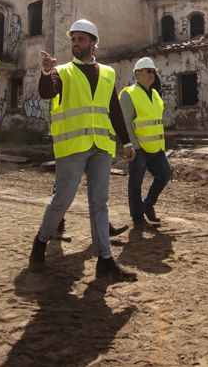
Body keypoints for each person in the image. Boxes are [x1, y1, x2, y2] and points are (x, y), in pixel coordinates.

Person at [28, 19, 136, 282]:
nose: (75, 44)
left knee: (100, 203)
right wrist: (45, 71)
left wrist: (127, 142)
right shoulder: (62, 72)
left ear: (93, 43)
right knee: (62, 200)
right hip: (72, 146)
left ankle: (105, 260)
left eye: (81, 39)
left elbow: (114, 110)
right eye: (73, 39)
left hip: (100, 146)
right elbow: (45, 93)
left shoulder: (108, 73)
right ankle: (40, 242)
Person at [120, 57, 171, 229]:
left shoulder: (155, 94)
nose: (152, 74)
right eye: (148, 71)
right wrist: (132, 146)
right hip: (138, 147)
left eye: (153, 71)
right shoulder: (129, 94)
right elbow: (125, 123)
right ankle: (137, 218)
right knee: (136, 183)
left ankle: (147, 204)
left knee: (165, 174)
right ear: (137, 73)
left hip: (156, 147)